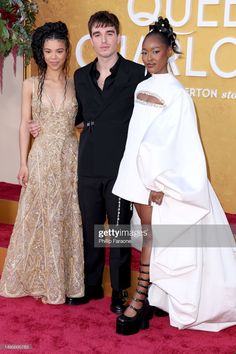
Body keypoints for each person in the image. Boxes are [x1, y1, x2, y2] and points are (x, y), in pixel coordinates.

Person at [113, 16, 236, 334]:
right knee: (146, 234)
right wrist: (135, 175)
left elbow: (179, 142)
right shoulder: (142, 86)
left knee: (155, 235)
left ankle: (139, 300)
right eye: (145, 52)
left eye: (155, 51)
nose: (149, 57)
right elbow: (138, 136)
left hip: (162, 183)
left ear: (169, 52)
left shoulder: (179, 94)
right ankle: (151, 296)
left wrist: (160, 182)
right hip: (136, 175)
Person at [0, 22, 84, 304]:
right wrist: (23, 162)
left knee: (65, 215)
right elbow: (24, 125)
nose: (54, 56)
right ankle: (40, 279)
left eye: (59, 50)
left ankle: (64, 281)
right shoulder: (30, 85)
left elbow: (81, 120)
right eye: (48, 50)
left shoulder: (76, 83)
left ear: (66, 51)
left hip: (70, 156)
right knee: (40, 216)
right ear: (41, 52)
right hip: (42, 155)